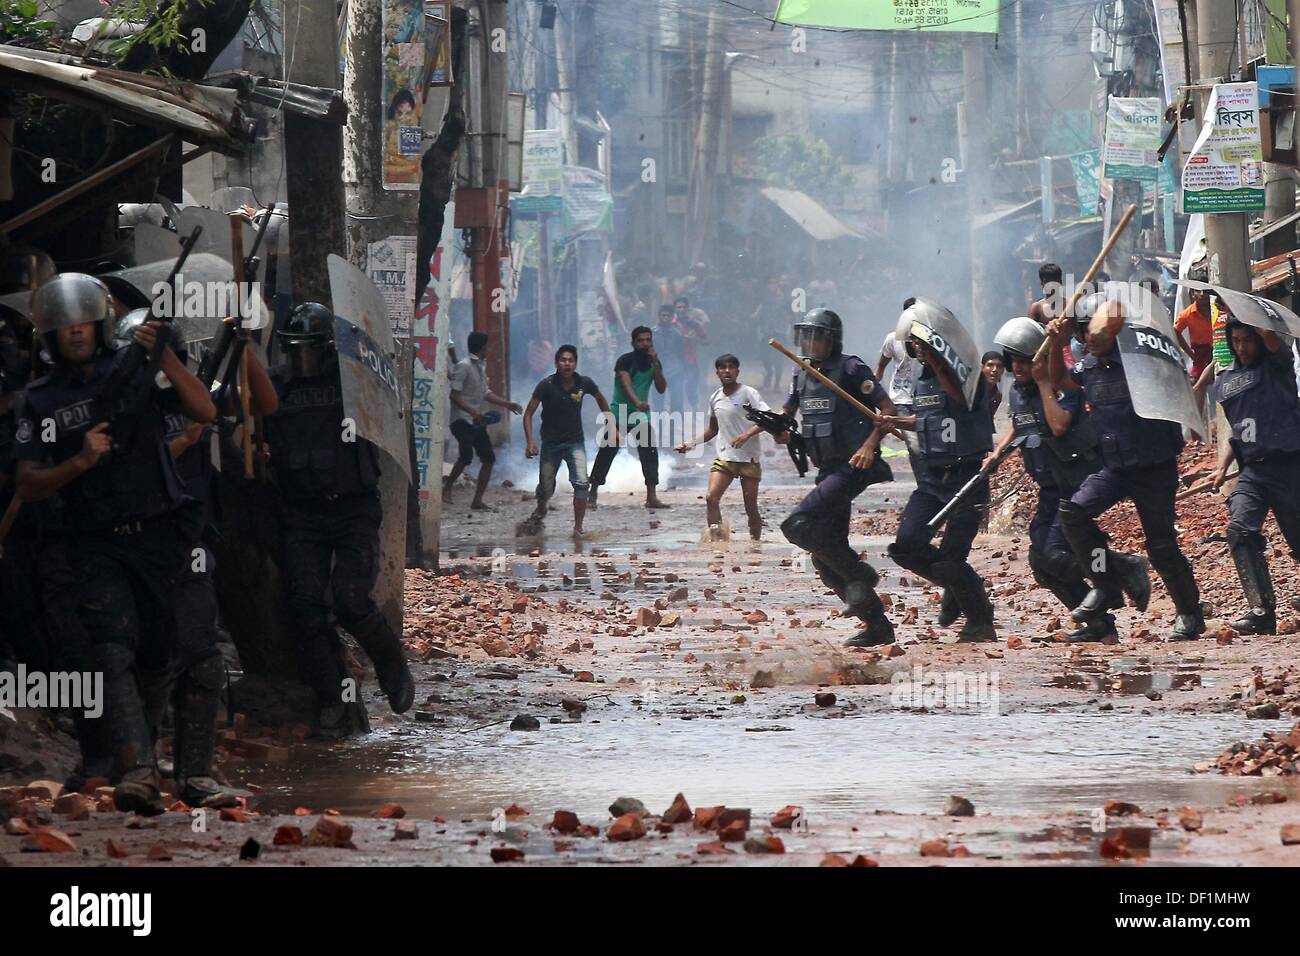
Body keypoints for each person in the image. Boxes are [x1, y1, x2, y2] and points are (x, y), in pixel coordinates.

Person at [14, 273, 216, 815]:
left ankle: (169, 765)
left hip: (156, 535)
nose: (76, 334)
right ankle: (140, 770)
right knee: (111, 648)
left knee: (162, 655)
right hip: (92, 543)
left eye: (84, 323)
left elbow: (205, 412)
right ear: (51, 335)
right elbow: (28, 482)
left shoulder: (131, 369)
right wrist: (79, 461)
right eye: (65, 327)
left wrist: (165, 358)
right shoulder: (40, 401)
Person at [116, 311, 275, 807]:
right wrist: (185, 438)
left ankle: (195, 775)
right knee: (145, 659)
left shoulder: (193, 396)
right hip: (134, 545)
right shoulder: (119, 405)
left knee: (202, 657)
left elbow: (262, 403)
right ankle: (135, 767)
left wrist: (243, 349)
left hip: (190, 541)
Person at [262, 303, 415, 737]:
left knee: (351, 600)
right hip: (302, 510)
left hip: (352, 506)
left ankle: (391, 663)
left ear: (329, 346)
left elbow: (389, 402)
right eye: (292, 349)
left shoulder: (354, 383)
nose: (299, 357)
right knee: (306, 606)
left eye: (308, 348)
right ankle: (335, 695)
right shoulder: (277, 388)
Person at [1046, 301, 1204, 641]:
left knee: (1161, 546)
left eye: (1096, 333)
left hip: (1154, 466)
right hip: (1115, 466)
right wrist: (1058, 344)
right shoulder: (1088, 367)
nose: (1089, 339)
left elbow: (1173, 372)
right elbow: (1058, 379)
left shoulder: (1140, 364)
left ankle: (1190, 613)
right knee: (1073, 513)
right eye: (1084, 334)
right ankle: (1110, 578)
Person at [778, 308, 897, 647]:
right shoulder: (801, 373)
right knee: (825, 558)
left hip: (853, 466)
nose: (811, 342)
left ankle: (862, 575)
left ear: (832, 339)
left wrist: (871, 446)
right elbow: (787, 415)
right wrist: (778, 428)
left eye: (818, 336)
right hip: (826, 469)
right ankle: (877, 625)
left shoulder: (850, 368)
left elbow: (888, 411)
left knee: (797, 524)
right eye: (807, 336)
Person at [989, 317, 1113, 640]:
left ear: (1040, 360)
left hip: (1075, 484)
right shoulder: (1018, 392)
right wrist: (997, 454)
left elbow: (1058, 425)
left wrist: (1044, 382)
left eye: (1025, 360)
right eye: (1012, 360)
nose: (1017, 367)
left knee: (1056, 554)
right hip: (1049, 488)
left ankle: (1115, 572)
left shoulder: (1062, 387)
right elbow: (1020, 423)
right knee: (1041, 563)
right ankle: (1097, 623)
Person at [883, 300, 997, 643]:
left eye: (922, 344)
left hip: (965, 478)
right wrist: (893, 421)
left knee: (950, 560)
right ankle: (962, 589)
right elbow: (926, 419)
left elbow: (959, 402)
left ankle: (979, 619)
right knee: (905, 546)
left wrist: (934, 356)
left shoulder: (968, 374)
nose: (916, 350)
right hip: (932, 479)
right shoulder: (920, 376)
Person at [1208, 318, 1300, 634]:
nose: (1243, 347)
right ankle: (1261, 610)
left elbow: (1278, 350)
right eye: (1236, 341)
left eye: (1249, 340)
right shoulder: (1227, 382)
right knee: (1240, 531)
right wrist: (1222, 466)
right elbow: (1238, 429)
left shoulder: (1277, 366)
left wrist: (1266, 330)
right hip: (1253, 471)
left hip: (1288, 465)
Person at [675, 354, 768, 541]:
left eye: (731, 367)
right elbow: (712, 430)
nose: (727, 371)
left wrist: (746, 434)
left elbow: (768, 420)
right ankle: (717, 540)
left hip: (749, 458)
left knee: (751, 508)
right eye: (723, 367)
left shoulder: (749, 393)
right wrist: (689, 444)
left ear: (737, 371)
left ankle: (756, 544)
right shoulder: (715, 397)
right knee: (711, 498)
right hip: (726, 457)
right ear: (717, 372)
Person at [521, 344, 611, 537]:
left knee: (581, 484)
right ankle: (541, 507)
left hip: (575, 443)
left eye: (570, 360)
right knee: (545, 487)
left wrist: (611, 425)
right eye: (563, 360)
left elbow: (601, 399)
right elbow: (528, 413)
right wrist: (530, 442)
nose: (567, 364)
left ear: (576, 363)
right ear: (556, 363)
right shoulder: (546, 385)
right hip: (550, 444)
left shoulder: (584, 383)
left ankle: (578, 528)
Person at [588, 325, 669, 510]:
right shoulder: (624, 361)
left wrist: (656, 364)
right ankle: (591, 494)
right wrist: (638, 402)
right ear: (633, 343)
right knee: (607, 452)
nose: (645, 344)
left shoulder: (653, 362)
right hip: (619, 412)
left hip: (641, 415)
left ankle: (651, 497)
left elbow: (661, 387)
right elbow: (626, 384)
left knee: (649, 452)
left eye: (648, 340)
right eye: (640, 340)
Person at [445, 330, 522, 510]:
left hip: (475, 421)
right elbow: (454, 396)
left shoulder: (480, 366)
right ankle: (447, 488)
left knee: (488, 459)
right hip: (461, 421)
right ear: (482, 348)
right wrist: (473, 412)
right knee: (465, 457)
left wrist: (507, 403)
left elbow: (485, 393)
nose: (489, 349)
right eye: (487, 346)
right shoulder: (463, 366)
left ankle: (477, 500)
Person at [875, 298, 921, 473]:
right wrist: (873, 390)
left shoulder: (928, 341)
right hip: (901, 399)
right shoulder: (892, 339)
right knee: (914, 446)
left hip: (922, 398)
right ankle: (923, 482)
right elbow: (881, 366)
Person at [1176, 286, 1215, 382]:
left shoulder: (1217, 309)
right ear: (1193, 294)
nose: (1202, 294)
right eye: (1198, 291)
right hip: (1201, 353)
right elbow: (1176, 332)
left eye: (1205, 291)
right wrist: (1191, 354)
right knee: (1197, 381)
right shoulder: (1186, 314)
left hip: (1220, 348)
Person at [981, 351, 1005, 416]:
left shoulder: (997, 397)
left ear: (1002, 371)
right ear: (982, 367)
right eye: (990, 365)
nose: (994, 369)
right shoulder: (971, 392)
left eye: (999, 366)